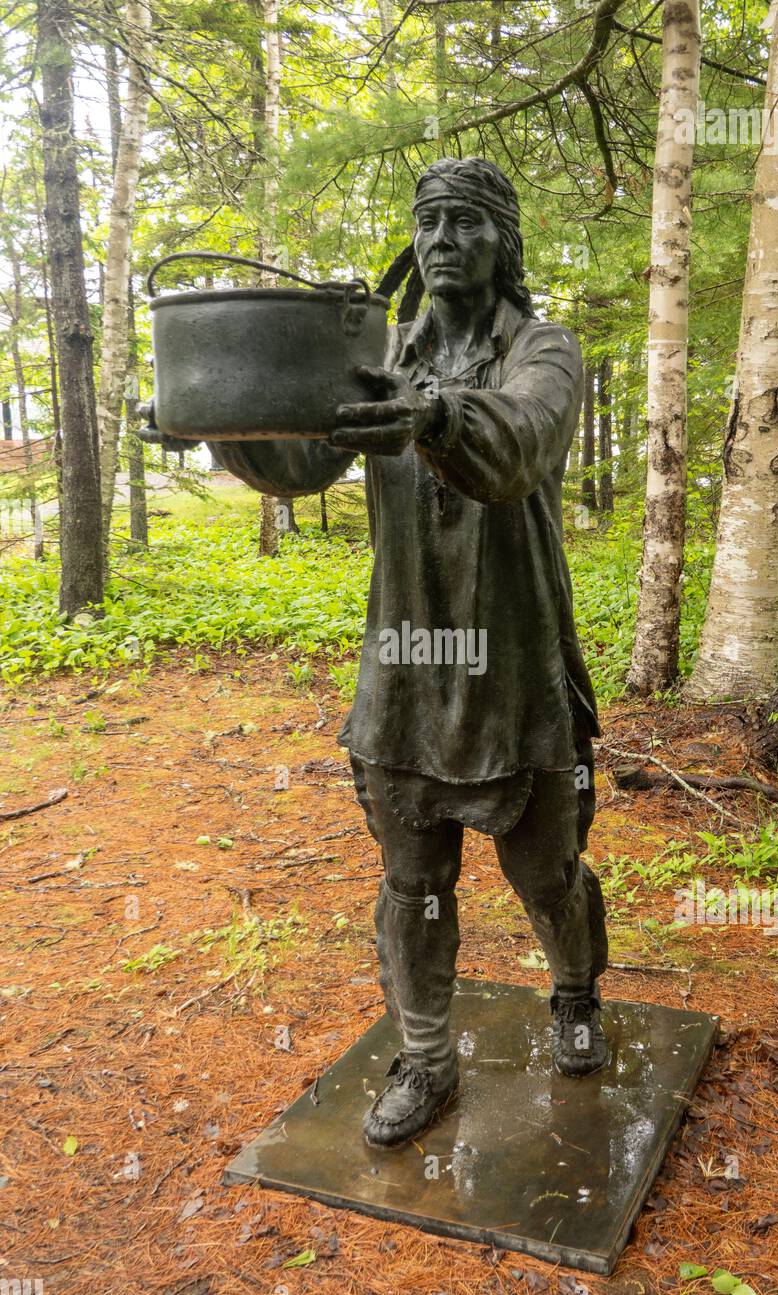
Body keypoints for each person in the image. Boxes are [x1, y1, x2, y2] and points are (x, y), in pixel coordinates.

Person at [149, 157, 608, 1147]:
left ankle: (573, 993)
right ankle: (426, 1055)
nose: (443, 238)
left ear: (502, 243)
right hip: (404, 665)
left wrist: (437, 415)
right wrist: (220, 423)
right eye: (428, 221)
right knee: (412, 884)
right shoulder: (379, 354)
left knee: (547, 874)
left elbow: (524, 439)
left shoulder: (543, 348)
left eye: (465, 222)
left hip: (515, 663)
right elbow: (304, 457)